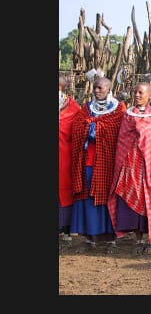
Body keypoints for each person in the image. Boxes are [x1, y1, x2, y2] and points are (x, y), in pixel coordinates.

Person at [107, 82, 151, 255]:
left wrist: (141, 131)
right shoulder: (127, 115)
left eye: (141, 92)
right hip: (130, 167)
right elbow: (122, 140)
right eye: (135, 92)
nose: (137, 95)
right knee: (131, 203)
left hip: (149, 167)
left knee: (150, 202)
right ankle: (138, 239)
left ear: (149, 95)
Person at [70, 72, 127, 252]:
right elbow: (77, 127)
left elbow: (119, 133)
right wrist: (89, 127)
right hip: (87, 162)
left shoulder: (119, 109)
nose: (96, 91)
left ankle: (111, 239)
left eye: (100, 87)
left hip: (108, 164)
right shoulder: (87, 108)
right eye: (94, 87)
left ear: (109, 89)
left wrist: (98, 128)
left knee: (107, 199)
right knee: (87, 199)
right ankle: (91, 236)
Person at [59, 73, 81, 250]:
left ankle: (66, 230)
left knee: (64, 191)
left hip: (65, 157)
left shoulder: (73, 109)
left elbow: (80, 133)